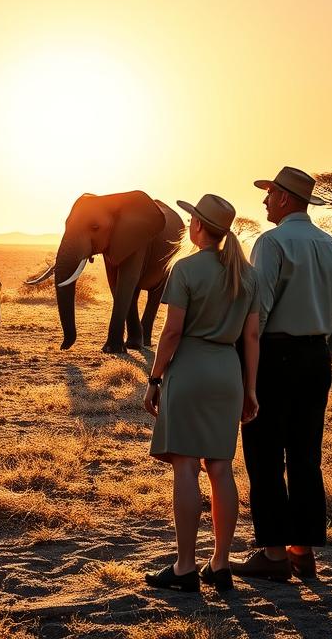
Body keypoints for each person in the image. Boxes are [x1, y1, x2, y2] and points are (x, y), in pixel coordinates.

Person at [232, 166, 332, 582]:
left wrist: (246, 373)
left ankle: (272, 553)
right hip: (314, 359)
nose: (265, 201)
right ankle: (302, 553)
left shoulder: (271, 243)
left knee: (264, 453)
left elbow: (260, 310)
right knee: (306, 455)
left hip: (274, 355)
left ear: (286, 198)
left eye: (270, 194)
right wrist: (329, 350)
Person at [143, 194, 260, 593]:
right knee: (222, 469)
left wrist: (155, 378)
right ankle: (221, 564)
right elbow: (252, 336)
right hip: (229, 372)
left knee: (186, 468)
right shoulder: (246, 274)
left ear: (196, 227)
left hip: (190, 370)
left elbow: (172, 331)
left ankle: (184, 567)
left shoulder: (185, 269)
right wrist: (250, 389)